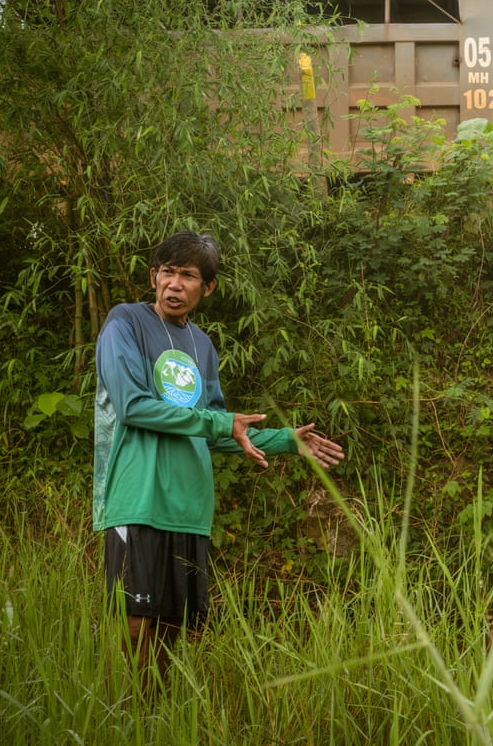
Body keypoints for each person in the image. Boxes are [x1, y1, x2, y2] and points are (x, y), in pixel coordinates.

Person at [92, 231, 344, 692]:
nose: (174, 284)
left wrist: (287, 440)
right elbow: (133, 406)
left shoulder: (201, 346)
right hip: (138, 497)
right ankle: (119, 720)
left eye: (187, 275)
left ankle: (152, 720)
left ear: (206, 288)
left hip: (189, 510)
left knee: (173, 629)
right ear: (153, 276)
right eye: (167, 271)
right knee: (133, 627)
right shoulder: (124, 323)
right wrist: (219, 424)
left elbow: (219, 427)